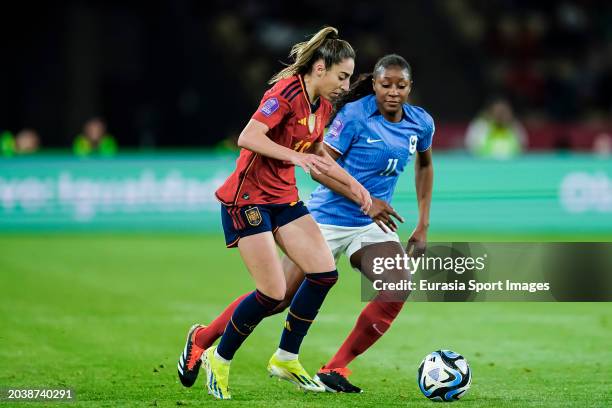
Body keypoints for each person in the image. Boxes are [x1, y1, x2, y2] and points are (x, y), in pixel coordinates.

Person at [181, 54, 435, 394]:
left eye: (400, 85)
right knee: (277, 296)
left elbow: (425, 165)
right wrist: (364, 198)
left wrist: (422, 224)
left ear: (410, 87)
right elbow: (321, 165)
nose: (392, 92)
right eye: (385, 84)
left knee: (397, 284)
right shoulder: (352, 117)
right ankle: (203, 338)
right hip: (326, 217)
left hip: (370, 223)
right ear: (373, 85)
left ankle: (336, 368)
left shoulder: (421, 123)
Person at [177, 27, 372, 400]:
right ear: (319, 68)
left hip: (283, 198)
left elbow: (318, 155)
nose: (345, 85)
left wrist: (354, 185)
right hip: (246, 199)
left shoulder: (324, 106)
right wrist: (294, 156)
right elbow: (248, 137)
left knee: (323, 274)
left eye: (349, 78)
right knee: (271, 292)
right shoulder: (285, 92)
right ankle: (218, 355)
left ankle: (285, 357)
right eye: (342, 76)